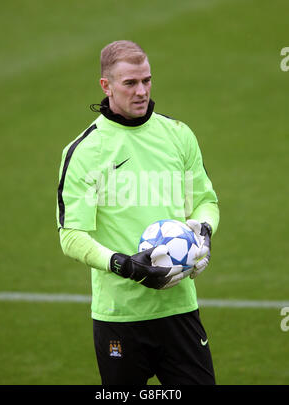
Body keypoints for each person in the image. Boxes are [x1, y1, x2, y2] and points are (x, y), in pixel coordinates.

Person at [56, 40, 219, 385]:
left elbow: (206, 200)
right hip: (119, 317)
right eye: (130, 83)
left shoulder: (177, 135)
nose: (142, 91)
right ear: (107, 85)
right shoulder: (85, 151)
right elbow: (71, 236)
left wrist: (203, 230)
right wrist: (124, 264)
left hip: (179, 309)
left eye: (146, 80)